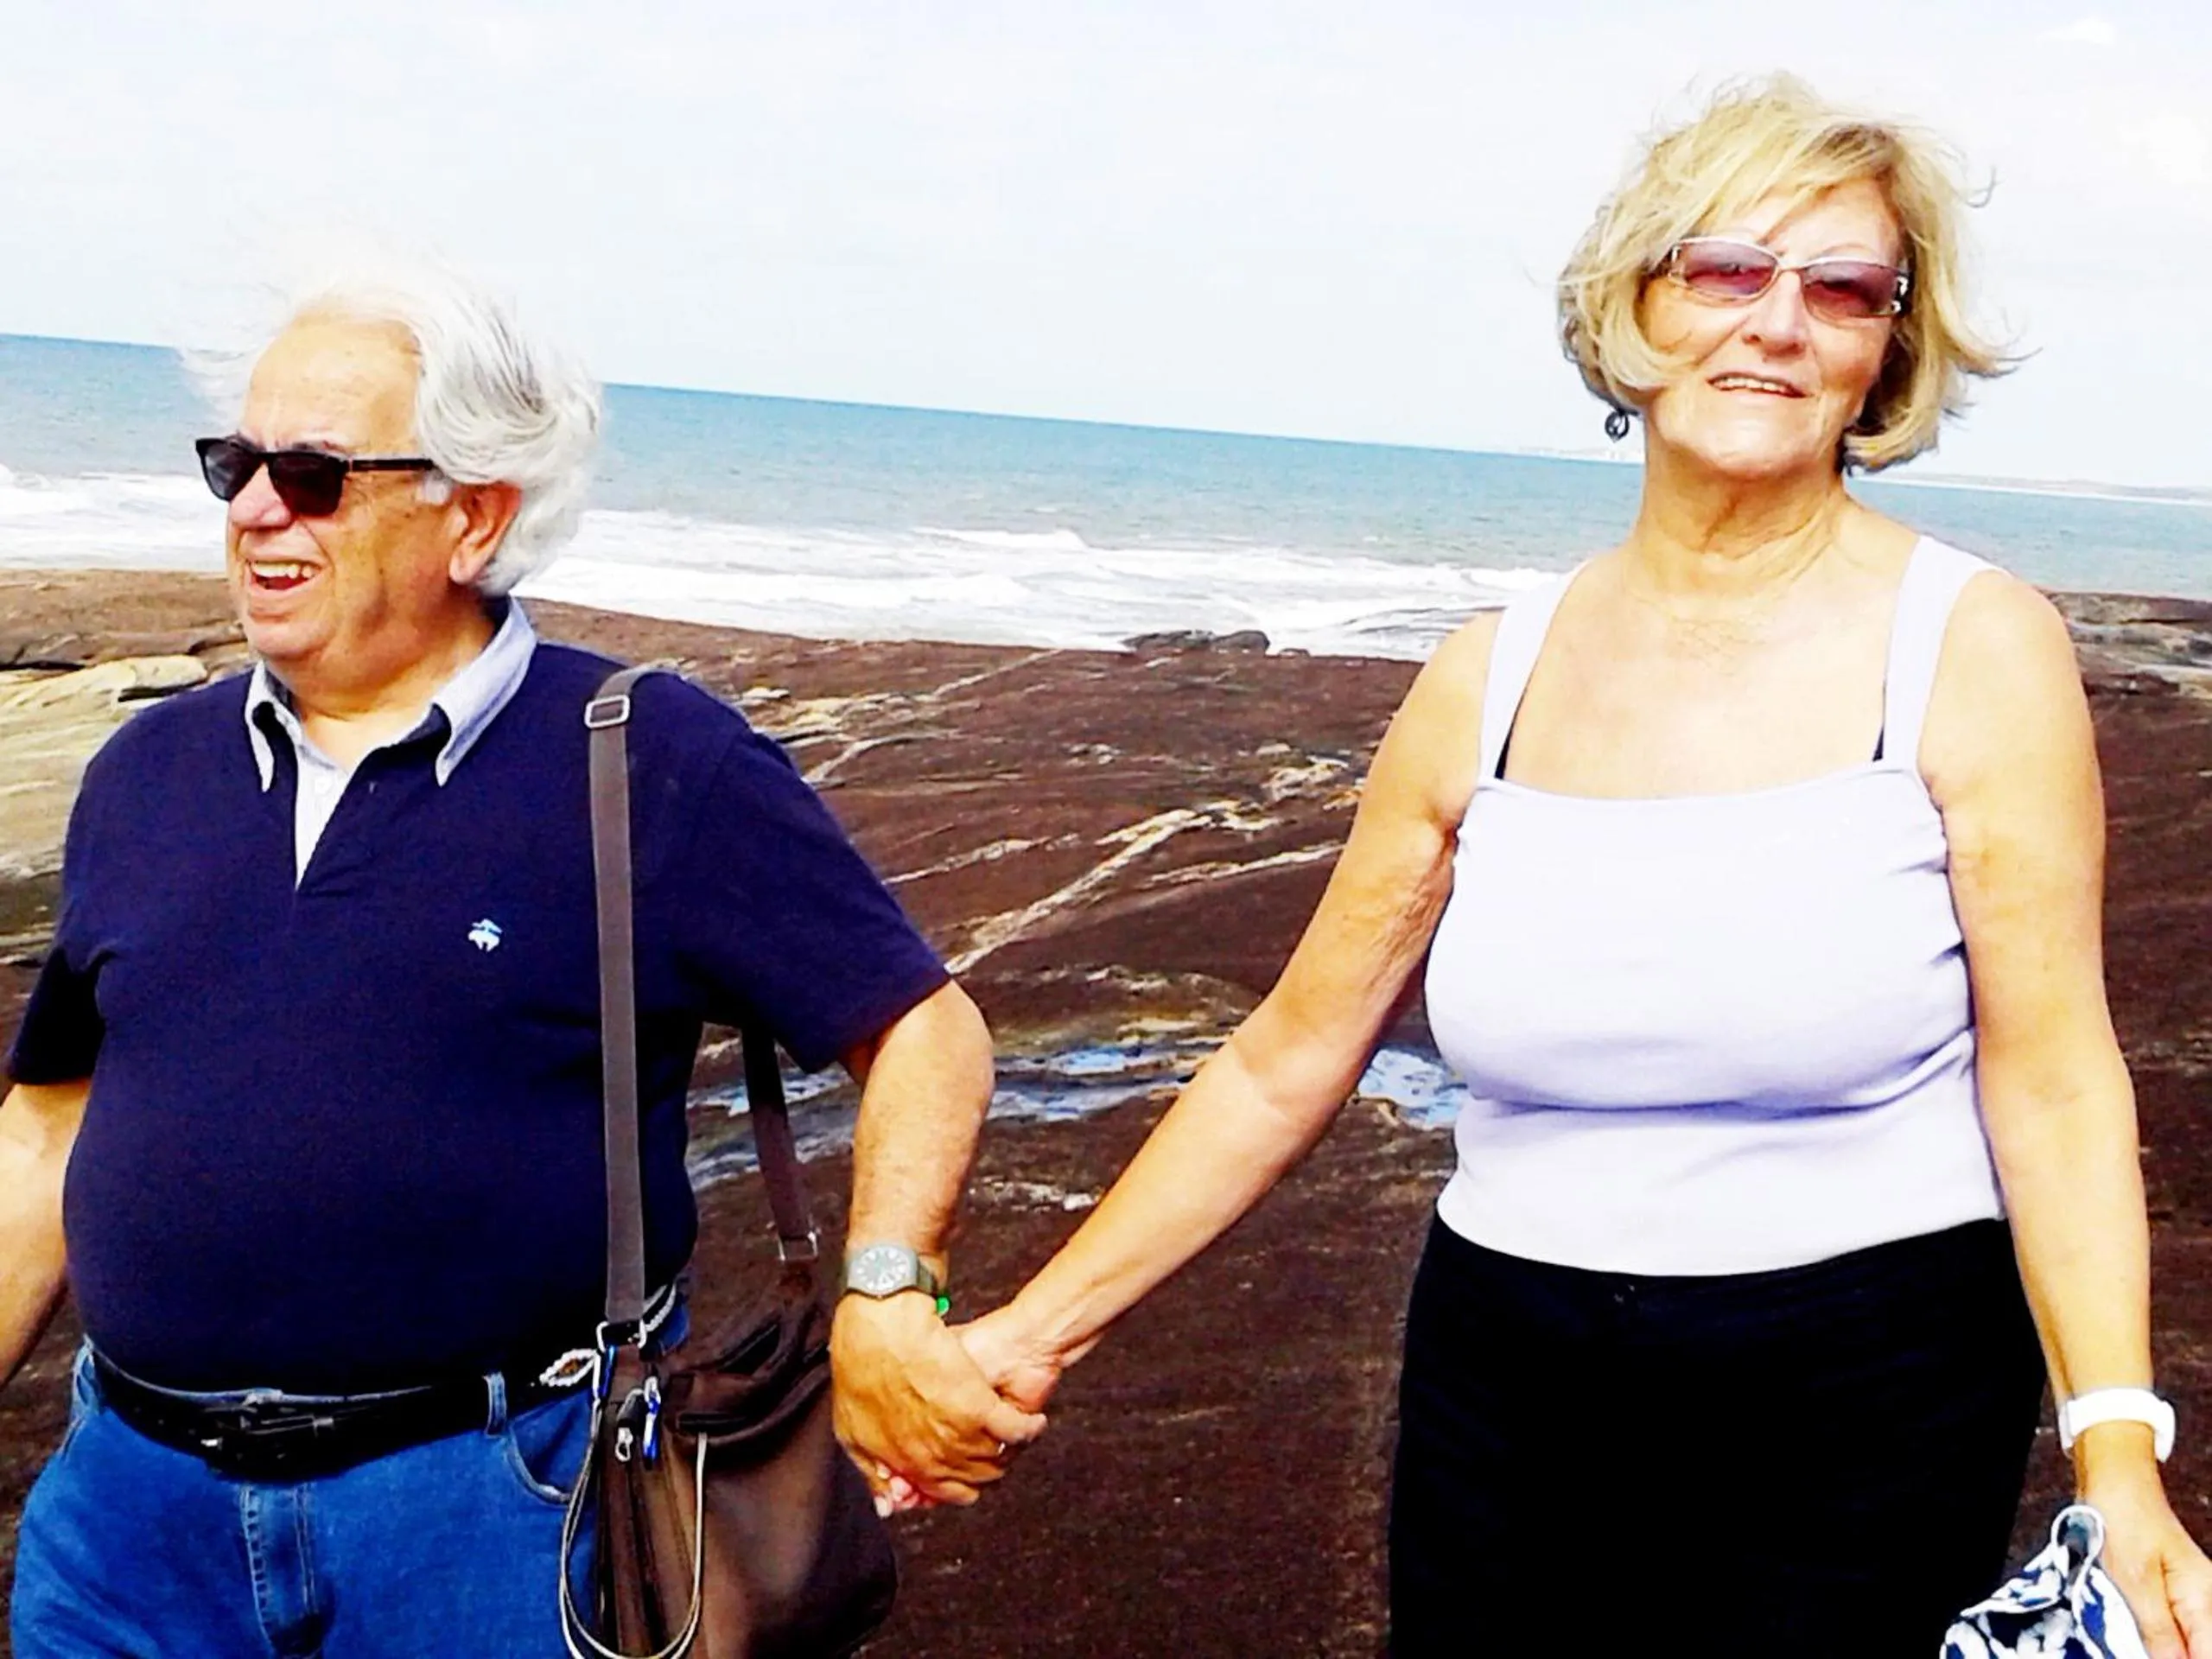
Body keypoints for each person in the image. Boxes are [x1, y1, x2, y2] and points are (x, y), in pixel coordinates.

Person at [940, 76, 2212, 1655]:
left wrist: (2118, 1459)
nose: (1776, 323)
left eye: (1841, 289)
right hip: (1507, 1368)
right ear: (1632, 303)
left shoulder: (1971, 645)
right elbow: (1285, 1058)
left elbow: (2060, 1072)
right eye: (1725, 268)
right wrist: (1030, 1332)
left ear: (1889, 346)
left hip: (1867, 1379)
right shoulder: (1491, 673)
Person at [0, 258, 1040, 1655]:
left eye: (312, 474)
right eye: (235, 463)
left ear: (474, 516)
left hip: (503, 1517)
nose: (253, 509)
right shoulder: (147, 771)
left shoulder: (649, 758)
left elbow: (922, 1031)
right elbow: (48, 1132)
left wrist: (891, 1290)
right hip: (128, 1526)